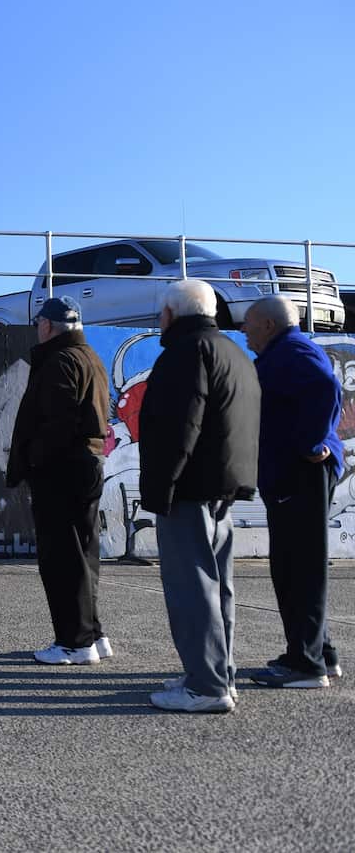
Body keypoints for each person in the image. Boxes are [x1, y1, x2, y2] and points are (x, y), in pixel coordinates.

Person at [140, 279, 260, 713]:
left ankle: (206, 687)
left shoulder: (185, 354)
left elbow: (179, 427)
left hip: (188, 489)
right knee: (218, 588)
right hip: (223, 489)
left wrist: (160, 489)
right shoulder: (234, 353)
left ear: (170, 314)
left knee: (191, 588)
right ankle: (217, 674)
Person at [241, 295, 343, 688]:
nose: (244, 330)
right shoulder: (285, 353)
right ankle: (320, 653)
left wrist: (312, 443)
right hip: (291, 475)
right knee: (295, 566)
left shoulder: (294, 351)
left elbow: (326, 386)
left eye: (249, 322)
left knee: (298, 568)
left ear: (268, 324)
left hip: (300, 473)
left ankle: (305, 665)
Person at [6, 296, 113, 665]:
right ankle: (92, 635)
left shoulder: (60, 361)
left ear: (48, 326)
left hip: (62, 470)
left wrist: (35, 460)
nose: (38, 329)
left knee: (61, 557)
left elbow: (58, 422)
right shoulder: (89, 358)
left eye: (39, 323)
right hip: (85, 464)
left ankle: (73, 642)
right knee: (83, 554)